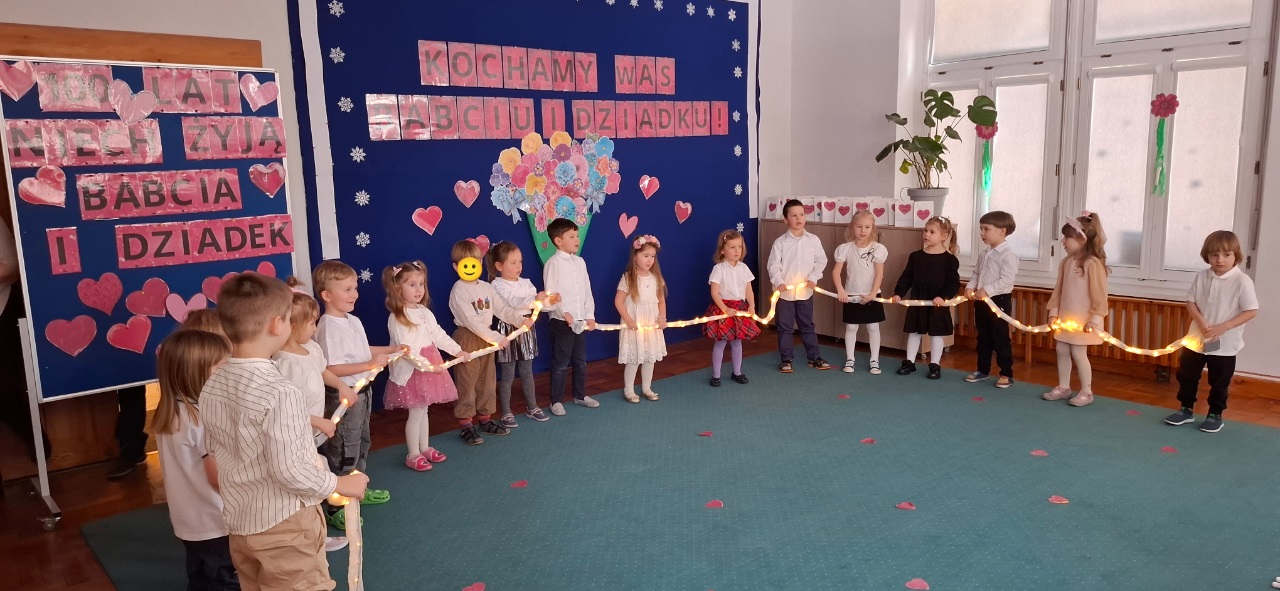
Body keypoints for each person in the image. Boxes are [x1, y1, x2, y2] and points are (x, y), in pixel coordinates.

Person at [201, 272, 368, 591]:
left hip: (241, 524)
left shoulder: (213, 383)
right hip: (286, 527)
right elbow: (290, 470)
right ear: (277, 325)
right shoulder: (281, 391)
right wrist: (340, 483)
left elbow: (220, 453)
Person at [272, 278, 357, 549]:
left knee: (317, 470)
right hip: (296, 434)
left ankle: (319, 522)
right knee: (307, 478)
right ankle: (312, 532)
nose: (315, 328)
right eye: (311, 324)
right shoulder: (282, 362)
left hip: (314, 431)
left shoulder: (311, 348)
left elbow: (323, 372)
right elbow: (284, 408)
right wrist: (317, 421)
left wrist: (341, 385)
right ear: (292, 326)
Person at [154, 329, 238, 590]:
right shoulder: (203, 419)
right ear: (197, 373)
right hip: (217, 520)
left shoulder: (172, 413)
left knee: (201, 575)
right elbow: (218, 478)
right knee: (226, 580)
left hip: (188, 519)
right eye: (222, 367)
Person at [313, 260, 397, 507]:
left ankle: (358, 487)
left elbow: (361, 351)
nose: (355, 294)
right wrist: (369, 365)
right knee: (343, 447)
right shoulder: (328, 326)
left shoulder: (352, 320)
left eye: (355, 288)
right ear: (327, 295)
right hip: (344, 396)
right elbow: (331, 368)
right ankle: (338, 502)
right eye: (347, 289)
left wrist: (391, 349)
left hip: (362, 391)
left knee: (361, 441)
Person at [1163, 231, 1258, 433]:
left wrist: (1223, 327)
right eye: (1214, 255)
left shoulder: (1242, 281)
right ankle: (1186, 409)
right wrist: (1201, 322)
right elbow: (1190, 302)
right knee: (1187, 375)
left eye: (1226, 255)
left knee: (1219, 381)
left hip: (1225, 345)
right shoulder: (1202, 276)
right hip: (1195, 340)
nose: (1220, 260)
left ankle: (1215, 414)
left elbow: (1251, 311)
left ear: (1236, 255)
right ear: (1207, 256)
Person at [382, 261, 469, 464]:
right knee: (416, 413)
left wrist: (457, 350)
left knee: (424, 410)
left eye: (421, 284)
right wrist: (427, 366)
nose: (418, 289)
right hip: (413, 370)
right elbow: (408, 351)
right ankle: (413, 454)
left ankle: (425, 447)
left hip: (429, 366)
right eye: (412, 285)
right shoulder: (397, 317)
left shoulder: (424, 311)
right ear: (398, 288)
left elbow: (438, 335)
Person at [448, 241, 534, 444]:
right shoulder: (459, 290)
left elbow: (502, 309)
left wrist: (520, 320)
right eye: (466, 263)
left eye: (476, 261)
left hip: (486, 339)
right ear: (456, 267)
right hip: (468, 338)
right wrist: (495, 337)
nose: (472, 266)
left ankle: (485, 419)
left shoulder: (486, 287)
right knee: (468, 381)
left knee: (487, 379)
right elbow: (472, 321)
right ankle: (466, 423)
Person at [1042, 212, 1109, 407]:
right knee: (1061, 350)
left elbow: (1099, 296)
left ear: (1082, 239)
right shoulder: (1066, 262)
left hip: (1083, 323)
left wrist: (1095, 319)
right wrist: (1053, 313)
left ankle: (1087, 392)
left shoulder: (1092, 264)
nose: (1063, 241)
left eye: (1067, 237)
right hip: (1065, 320)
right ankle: (1064, 387)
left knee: (1079, 354)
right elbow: (1058, 290)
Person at [489, 242, 555, 426]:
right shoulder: (497, 285)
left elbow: (538, 305)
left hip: (526, 328)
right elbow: (513, 302)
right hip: (508, 329)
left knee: (527, 371)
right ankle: (506, 412)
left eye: (520, 261)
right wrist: (534, 299)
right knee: (508, 373)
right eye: (513, 262)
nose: (518, 266)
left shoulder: (526, 283)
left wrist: (550, 301)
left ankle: (532, 407)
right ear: (499, 266)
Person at [892, 216, 961, 380]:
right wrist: (899, 293)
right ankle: (909, 362)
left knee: (936, 333)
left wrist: (943, 297)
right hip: (918, 299)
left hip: (937, 302)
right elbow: (906, 277)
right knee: (915, 331)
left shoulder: (950, 260)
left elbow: (953, 283)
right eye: (925, 231)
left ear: (944, 236)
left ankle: (935, 364)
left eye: (931, 232)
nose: (926, 234)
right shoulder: (916, 256)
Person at [767, 199, 830, 373]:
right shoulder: (780, 242)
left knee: (807, 325)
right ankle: (786, 359)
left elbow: (821, 261)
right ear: (785, 220)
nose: (798, 218)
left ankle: (814, 357)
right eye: (794, 215)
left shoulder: (813, 240)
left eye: (801, 214)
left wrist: (813, 278)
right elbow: (773, 265)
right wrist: (779, 282)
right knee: (785, 327)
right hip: (785, 294)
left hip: (805, 293)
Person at [543, 218, 599, 415]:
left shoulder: (580, 262)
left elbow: (586, 291)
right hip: (561, 322)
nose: (577, 240)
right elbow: (551, 294)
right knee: (560, 363)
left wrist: (589, 315)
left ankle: (580, 395)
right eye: (572, 236)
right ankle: (556, 401)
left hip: (580, 321)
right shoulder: (553, 263)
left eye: (577, 236)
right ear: (558, 241)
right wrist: (562, 312)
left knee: (580, 360)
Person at [965, 211, 1020, 388]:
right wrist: (970, 287)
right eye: (981, 229)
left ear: (1002, 231)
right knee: (983, 337)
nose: (982, 233)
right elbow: (976, 274)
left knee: (1000, 337)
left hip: (999, 301)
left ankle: (1006, 374)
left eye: (986, 229)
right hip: (982, 302)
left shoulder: (1008, 254)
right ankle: (982, 370)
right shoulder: (984, 253)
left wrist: (987, 290)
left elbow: (1006, 280)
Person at [832, 210, 888, 375]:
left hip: (871, 295)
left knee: (873, 327)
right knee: (851, 327)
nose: (863, 231)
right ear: (852, 227)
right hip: (851, 295)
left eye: (867, 227)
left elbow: (879, 274)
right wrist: (841, 291)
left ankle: (874, 360)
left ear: (872, 228)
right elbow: (836, 272)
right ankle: (850, 359)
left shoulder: (877, 249)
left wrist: (872, 294)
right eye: (859, 226)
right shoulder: (845, 249)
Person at [615, 235, 668, 403]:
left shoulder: (656, 278)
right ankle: (628, 389)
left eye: (652, 256)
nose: (650, 260)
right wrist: (629, 320)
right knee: (635, 358)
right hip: (635, 324)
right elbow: (618, 302)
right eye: (646, 256)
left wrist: (662, 317)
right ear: (635, 256)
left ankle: (647, 388)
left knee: (649, 357)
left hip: (651, 324)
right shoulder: (628, 278)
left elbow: (661, 301)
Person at [704, 230, 760, 386]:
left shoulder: (744, 268)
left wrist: (752, 305)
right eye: (732, 247)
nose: (737, 251)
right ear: (723, 250)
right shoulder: (719, 269)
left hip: (739, 308)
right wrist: (725, 309)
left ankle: (737, 372)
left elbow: (748, 290)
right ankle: (716, 375)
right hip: (724, 308)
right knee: (720, 342)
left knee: (737, 342)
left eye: (739, 247)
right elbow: (714, 293)